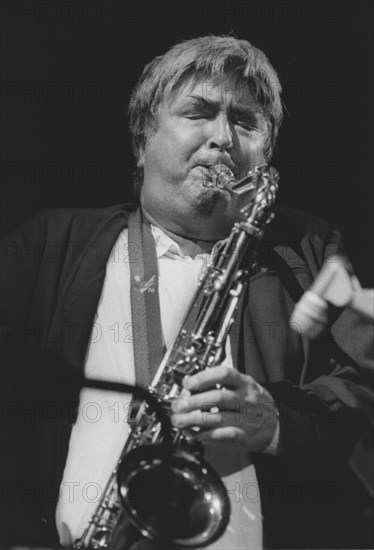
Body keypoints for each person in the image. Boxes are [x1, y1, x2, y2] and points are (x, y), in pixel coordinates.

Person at [1, 35, 373, 549]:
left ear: (265, 155)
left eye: (245, 122)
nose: (223, 137)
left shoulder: (313, 249)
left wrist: (279, 422)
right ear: (142, 138)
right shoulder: (49, 243)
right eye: (198, 113)